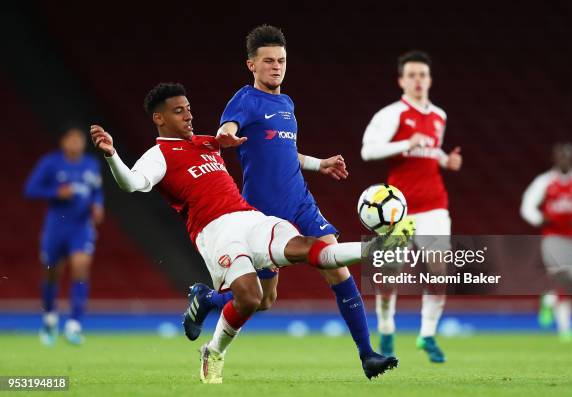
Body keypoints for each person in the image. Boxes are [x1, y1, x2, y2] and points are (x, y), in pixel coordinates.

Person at [90, 82, 376, 384]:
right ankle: (213, 352)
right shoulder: (158, 155)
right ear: (159, 119)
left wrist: (318, 163)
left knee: (309, 248)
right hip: (215, 231)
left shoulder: (207, 142)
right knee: (251, 298)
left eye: (188, 109)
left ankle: (373, 248)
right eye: (178, 111)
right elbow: (131, 183)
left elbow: (274, 149)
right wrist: (112, 156)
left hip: (249, 217)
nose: (188, 116)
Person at [182, 24, 397, 379]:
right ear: (251, 65)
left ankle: (367, 355)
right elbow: (228, 130)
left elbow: (283, 151)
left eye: (281, 60)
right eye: (268, 61)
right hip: (261, 215)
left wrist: (319, 164)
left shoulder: (286, 103)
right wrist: (227, 135)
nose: (276, 67)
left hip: (301, 203)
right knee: (263, 300)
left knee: (336, 268)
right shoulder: (244, 99)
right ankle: (207, 300)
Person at [361, 51, 463, 362]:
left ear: (430, 80)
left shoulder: (439, 116)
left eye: (423, 75)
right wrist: (406, 142)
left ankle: (427, 335)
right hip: (398, 209)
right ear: (402, 81)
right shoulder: (391, 114)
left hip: (434, 205)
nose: (418, 80)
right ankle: (388, 329)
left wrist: (447, 160)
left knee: (438, 271)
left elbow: (430, 151)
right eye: (412, 75)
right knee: (389, 274)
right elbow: (368, 151)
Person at [24, 126, 104, 346]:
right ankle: (50, 318)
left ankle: (74, 325)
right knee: (52, 274)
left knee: (81, 267)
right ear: (63, 142)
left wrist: (98, 205)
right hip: (56, 228)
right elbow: (30, 189)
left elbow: (97, 191)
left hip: (81, 227)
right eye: (72, 139)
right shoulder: (50, 163)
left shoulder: (91, 164)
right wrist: (56, 192)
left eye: (79, 140)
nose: (76, 144)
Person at [520, 142, 572, 341]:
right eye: (560, 156)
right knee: (563, 278)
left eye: (567, 156)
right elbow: (527, 205)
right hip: (554, 237)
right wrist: (540, 218)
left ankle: (549, 300)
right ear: (554, 158)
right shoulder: (545, 181)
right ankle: (565, 328)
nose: (564, 159)